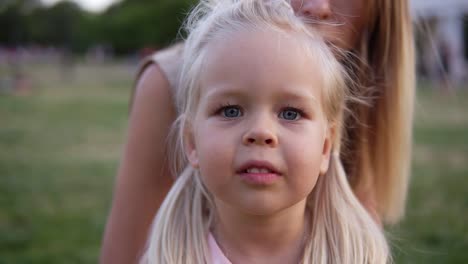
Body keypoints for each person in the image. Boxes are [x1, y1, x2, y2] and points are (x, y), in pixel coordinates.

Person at [100, 0, 415, 263]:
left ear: (326, 144)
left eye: (291, 113)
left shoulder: (357, 252)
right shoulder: (168, 254)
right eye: (231, 111)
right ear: (190, 140)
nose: (262, 132)